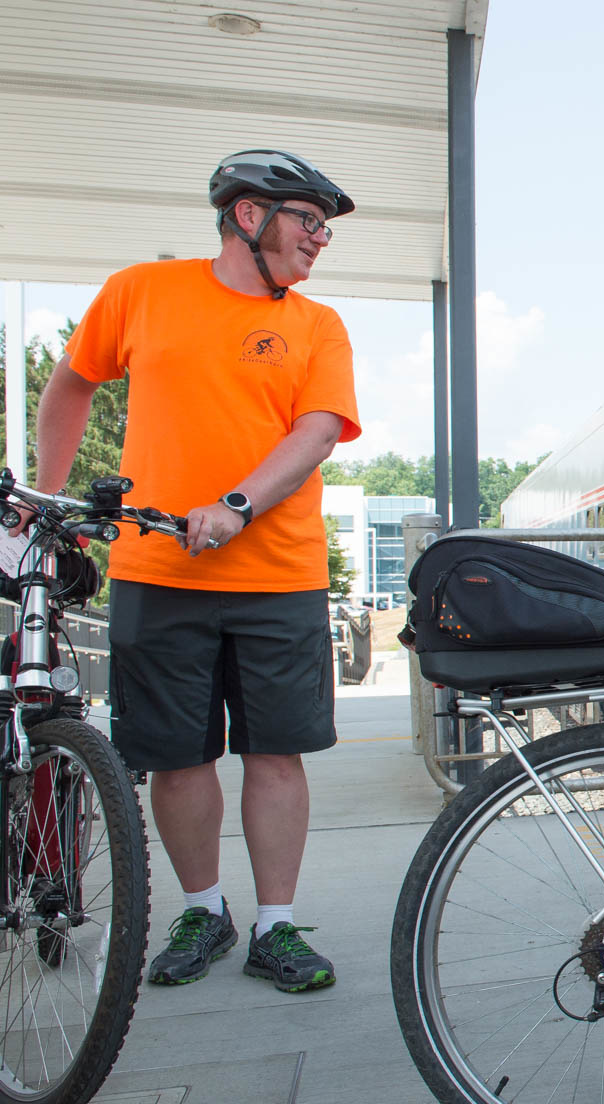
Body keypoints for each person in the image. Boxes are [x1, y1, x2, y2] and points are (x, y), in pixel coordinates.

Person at [31, 149, 361, 992]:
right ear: (249, 216)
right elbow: (70, 385)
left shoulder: (318, 326)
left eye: (325, 227)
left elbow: (316, 432)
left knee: (276, 757)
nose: (320, 239)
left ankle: (277, 926)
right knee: (177, 759)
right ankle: (204, 908)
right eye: (308, 220)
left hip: (278, 576)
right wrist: (50, 499)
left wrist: (237, 505)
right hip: (157, 570)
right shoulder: (141, 291)